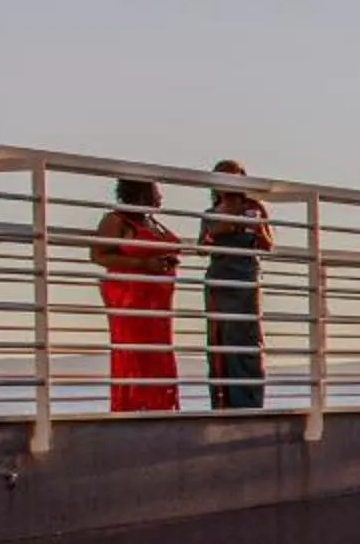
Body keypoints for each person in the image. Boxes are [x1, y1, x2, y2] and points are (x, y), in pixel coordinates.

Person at [89, 178, 182, 413]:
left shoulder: (152, 222)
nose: (160, 197)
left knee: (158, 349)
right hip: (131, 294)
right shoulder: (116, 220)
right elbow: (99, 255)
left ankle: (159, 405)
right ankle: (132, 406)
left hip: (158, 297)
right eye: (156, 192)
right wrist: (143, 263)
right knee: (134, 350)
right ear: (142, 194)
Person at [197, 162, 270, 411]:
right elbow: (201, 248)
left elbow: (267, 245)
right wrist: (220, 229)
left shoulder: (254, 207)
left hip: (246, 278)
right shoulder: (210, 212)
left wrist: (256, 230)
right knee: (219, 339)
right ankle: (221, 403)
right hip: (219, 280)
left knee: (247, 338)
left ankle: (249, 402)